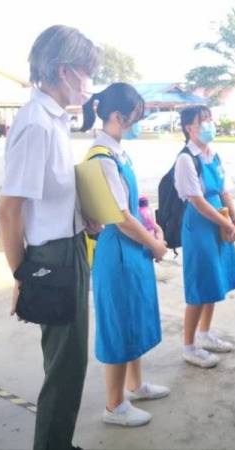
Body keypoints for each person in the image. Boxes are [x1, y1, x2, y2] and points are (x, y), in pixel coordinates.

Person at [0, 25, 100, 450]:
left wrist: (85, 213)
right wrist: (22, 272)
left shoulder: (56, 120)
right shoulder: (36, 123)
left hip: (70, 245)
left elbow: (51, 192)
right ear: (63, 70)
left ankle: (59, 441)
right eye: (87, 71)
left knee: (66, 359)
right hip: (51, 255)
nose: (90, 82)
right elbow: (9, 207)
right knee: (66, 366)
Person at [81, 83, 170, 427]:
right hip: (118, 252)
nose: (137, 124)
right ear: (118, 116)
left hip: (130, 249)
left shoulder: (116, 152)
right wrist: (154, 243)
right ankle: (114, 405)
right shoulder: (103, 158)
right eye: (135, 118)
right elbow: (120, 217)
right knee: (119, 323)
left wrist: (153, 229)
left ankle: (135, 385)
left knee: (133, 316)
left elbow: (134, 206)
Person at [175, 105, 235, 368]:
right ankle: (189, 346)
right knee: (200, 284)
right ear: (188, 127)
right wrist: (225, 222)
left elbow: (224, 191)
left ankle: (205, 334)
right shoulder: (185, 159)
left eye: (209, 119)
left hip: (219, 220)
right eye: (202, 121)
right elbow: (198, 201)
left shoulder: (212, 155)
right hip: (200, 225)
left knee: (215, 281)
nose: (208, 124)